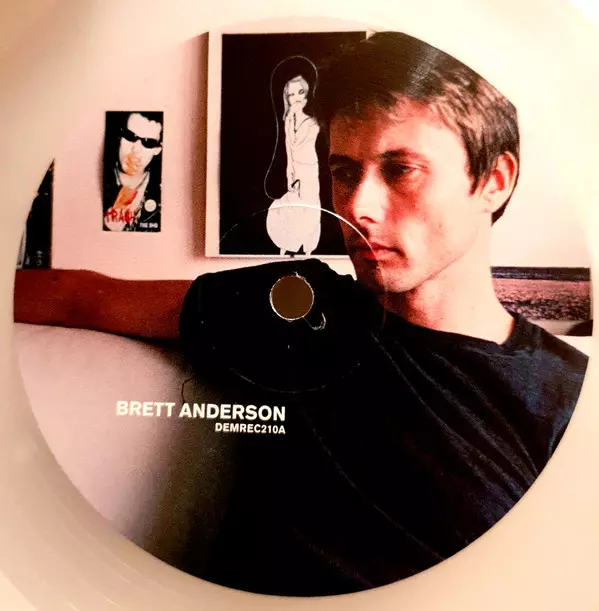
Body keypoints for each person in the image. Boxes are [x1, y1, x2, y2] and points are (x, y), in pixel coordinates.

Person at [14, 31, 588, 597]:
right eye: (343, 171)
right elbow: (79, 296)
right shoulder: (296, 306)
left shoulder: (568, 394)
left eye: (400, 170)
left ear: (493, 181)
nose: (356, 205)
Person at [267, 71, 322, 255]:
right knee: (291, 207)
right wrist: (289, 172)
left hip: (309, 169)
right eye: (291, 94)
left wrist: (297, 112)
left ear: (307, 93)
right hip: (295, 169)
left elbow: (303, 143)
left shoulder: (312, 122)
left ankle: (308, 248)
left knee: (310, 207)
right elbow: (288, 149)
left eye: (300, 92)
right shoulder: (288, 120)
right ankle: (288, 242)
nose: (296, 98)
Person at [103, 111, 163, 232]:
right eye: (130, 136)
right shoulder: (96, 179)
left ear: (157, 149)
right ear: (120, 137)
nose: (136, 149)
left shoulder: (163, 192)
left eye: (148, 143)